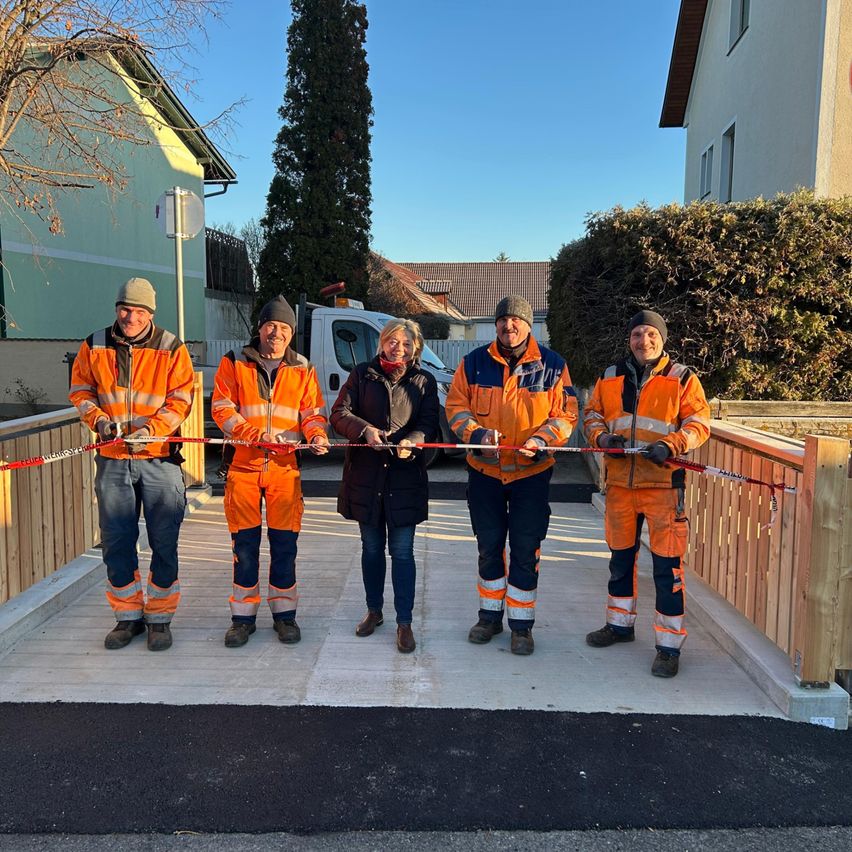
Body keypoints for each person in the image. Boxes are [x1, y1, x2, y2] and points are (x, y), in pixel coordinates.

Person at [445, 295, 578, 655]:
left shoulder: (553, 366)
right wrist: (476, 435)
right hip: (485, 473)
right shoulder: (473, 363)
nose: (509, 326)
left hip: (531, 475)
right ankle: (489, 618)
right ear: (496, 325)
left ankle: (522, 626)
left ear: (528, 325)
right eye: (503, 320)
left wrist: (541, 439)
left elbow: (566, 415)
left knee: (524, 549)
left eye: (516, 320)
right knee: (489, 546)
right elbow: (456, 407)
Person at [583, 309, 711, 678]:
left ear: (662, 339)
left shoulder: (682, 378)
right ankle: (619, 626)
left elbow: (699, 423)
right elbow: (591, 415)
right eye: (638, 334)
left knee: (667, 569)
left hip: (663, 488)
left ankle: (668, 648)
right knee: (620, 561)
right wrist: (603, 439)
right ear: (630, 339)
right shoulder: (610, 376)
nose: (644, 341)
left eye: (651, 334)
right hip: (620, 486)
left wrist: (672, 445)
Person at [69, 277, 194, 651]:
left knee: (164, 540)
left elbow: (181, 400)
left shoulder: (171, 347)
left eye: (139, 311)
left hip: (159, 460)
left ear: (150, 313)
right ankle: (127, 617)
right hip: (113, 460)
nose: (131, 317)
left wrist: (152, 431)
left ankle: (159, 618)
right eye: (125, 309)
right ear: (117, 308)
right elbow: (80, 391)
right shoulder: (95, 345)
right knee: (117, 541)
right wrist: (99, 422)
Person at [211, 295, 329, 648]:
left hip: (284, 470)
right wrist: (254, 435)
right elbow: (222, 409)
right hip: (244, 467)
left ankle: (285, 616)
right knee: (244, 547)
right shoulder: (234, 361)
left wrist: (316, 434)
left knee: (285, 546)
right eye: (271, 326)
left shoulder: (302, 368)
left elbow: (312, 412)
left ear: (291, 333)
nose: (276, 333)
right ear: (260, 328)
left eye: (284, 328)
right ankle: (242, 619)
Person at [330, 319, 439, 654]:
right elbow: (338, 414)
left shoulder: (424, 380)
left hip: (405, 479)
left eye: (406, 343)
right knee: (372, 548)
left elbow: (429, 423)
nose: (398, 348)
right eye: (393, 341)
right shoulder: (362, 374)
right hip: (367, 477)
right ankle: (374, 611)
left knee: (403, 552)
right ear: (382, 342)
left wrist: (413, 440)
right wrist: (365, 430)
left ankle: (404, 622)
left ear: (416, 347)